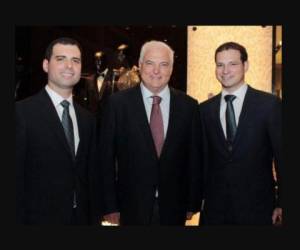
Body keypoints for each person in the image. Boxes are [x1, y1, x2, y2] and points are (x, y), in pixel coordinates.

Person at [98, 40, 201, 225]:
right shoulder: (118, 104)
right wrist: (109, 205)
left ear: (171, 68)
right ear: (140, 64)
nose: (156, 71)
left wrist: (192, 202)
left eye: (163, 64)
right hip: (130, 206)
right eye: (150, 63)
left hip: (175, 206)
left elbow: (194, 157)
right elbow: (105, 157)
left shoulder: (189, 106)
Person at [16, 37, 100, 225]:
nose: (69, 66)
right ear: (46, 65)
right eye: (61, 59)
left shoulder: (88, 119)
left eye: (76, 60)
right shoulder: (21, 113)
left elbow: (92, 178)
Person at [198, 41, 282, 225]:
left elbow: (282, 157)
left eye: (232, 64)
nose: (225, 70)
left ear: (246, 65)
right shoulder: (203, 110)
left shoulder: (269, 105)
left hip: (259, 208)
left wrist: (282, 202)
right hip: (214, 210)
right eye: (220, 65)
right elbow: (200, 160)